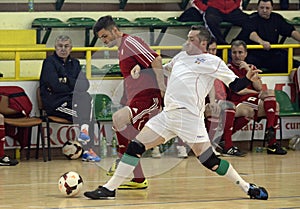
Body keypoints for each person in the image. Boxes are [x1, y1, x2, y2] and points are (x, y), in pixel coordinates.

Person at [84, 26, 269, 200]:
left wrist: (247, 79)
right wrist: (141, 67)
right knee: (136, 146)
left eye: (191, 39)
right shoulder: (180, 57)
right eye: (187, 38)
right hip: (168, 115)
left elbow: (235, 86)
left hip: (189, 118)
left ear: (202, 44)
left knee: (209, 161)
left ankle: (247, 187)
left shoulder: (212, 61)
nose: (186, 42)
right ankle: (109, 188)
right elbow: (161, 70)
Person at [93, 15, 166, 189]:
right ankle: (138, 178)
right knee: (125, 130)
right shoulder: (122, 49)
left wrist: (163, 89)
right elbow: (143, 65)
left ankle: (122, 164)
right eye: (100, 38)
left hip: (149, 97)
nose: (103, 41)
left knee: (120, 121)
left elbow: (155, 59)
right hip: (137, 99)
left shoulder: (130, 41)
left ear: (115, 30)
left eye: (105, 36)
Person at [39, 35, 100, 162]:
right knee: (86, 116)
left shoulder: (75, 63)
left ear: (71, 48)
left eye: (66, 46)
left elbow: (85, 85)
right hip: (55, 104)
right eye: (60, 46)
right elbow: (55, 86)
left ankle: (85, 136)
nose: (63, 49)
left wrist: (65, 80)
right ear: (55, 48)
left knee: (86, 97)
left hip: (71, 101)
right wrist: (73, 84)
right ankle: (87, 150)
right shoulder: (49, 62)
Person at [226, 40, 287, 155]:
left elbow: (259, 87)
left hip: (251, 98)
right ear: (231, 53)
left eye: (240, 52)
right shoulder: (228, 68)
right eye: (234, 52)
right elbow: (238, 90)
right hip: (237, 100)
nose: (237, 56)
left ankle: (270, 134)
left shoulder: (251, 67)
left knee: (271, 97)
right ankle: (272, 141)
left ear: (246, 54)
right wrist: (255, 92)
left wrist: (248, 70)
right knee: (269, 106)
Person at [236, 0, 300, 73]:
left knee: (288, 60)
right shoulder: (251, 18)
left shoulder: (276, 18)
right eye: (262, 8)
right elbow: (251, 33)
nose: (264, 10)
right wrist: (261, 42)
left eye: (267, 8)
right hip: (254, 54)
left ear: (272, 8)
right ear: (257, 8)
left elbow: (291, 31)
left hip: (271, 54)